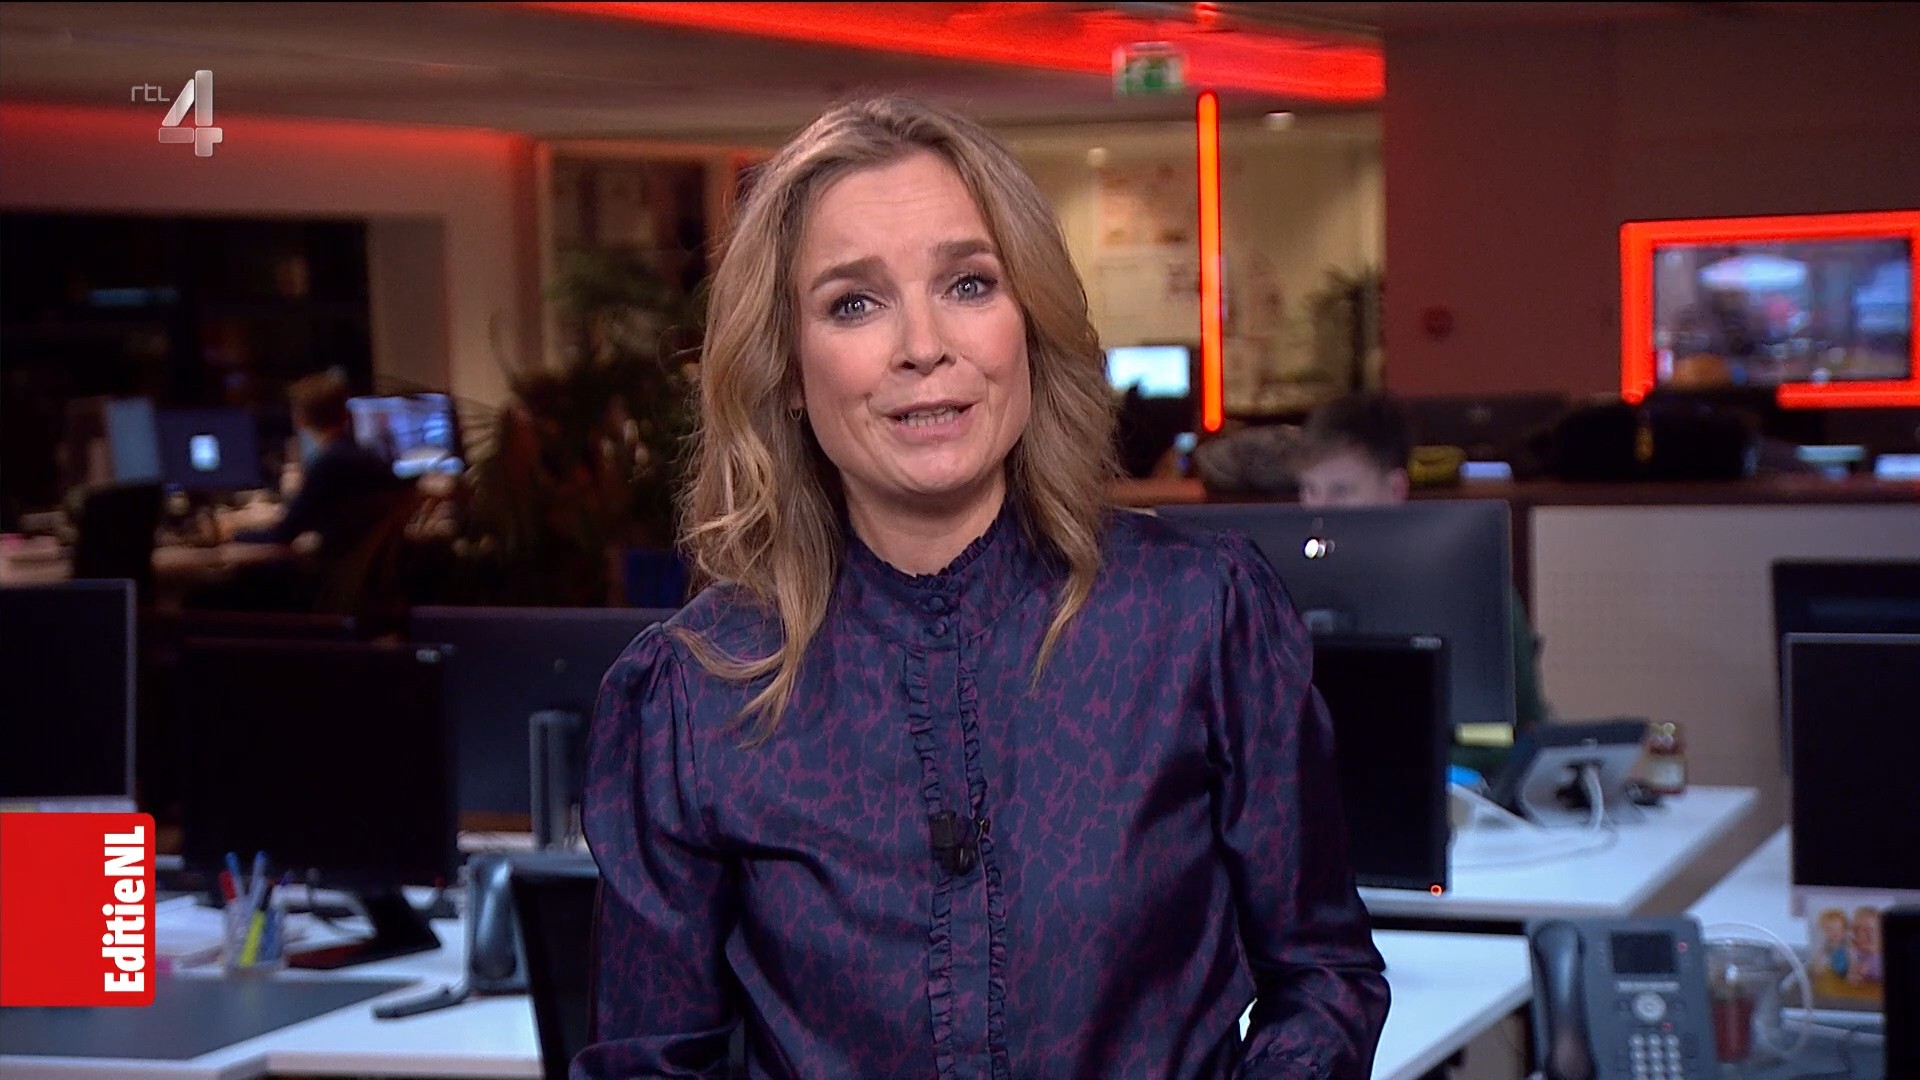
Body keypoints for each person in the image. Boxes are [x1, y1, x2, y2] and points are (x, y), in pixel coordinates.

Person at [578, 97, 1388, 1080]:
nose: (923, 346)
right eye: (854, 303)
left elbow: (1324, 976)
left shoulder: (1198, 617)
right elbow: (648, 1065)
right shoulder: (694, 693)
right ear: (787, 369)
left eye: (968, 284)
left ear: (1028, 324)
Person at [1290, 392, 1551, 773]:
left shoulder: (1469, 587)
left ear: (1396, 489)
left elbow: (1519, 733)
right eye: (1309, 490)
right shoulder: (1280, 589)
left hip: (1453, 790)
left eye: (1341, 491)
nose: (1318, 510)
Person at [230, 372, 403, 556]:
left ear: (299, 419)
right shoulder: (368, 458)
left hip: (338, 564)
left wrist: (231, 533)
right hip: (364, 563)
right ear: (346, 414)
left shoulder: (329, 465)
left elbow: (283, 534)